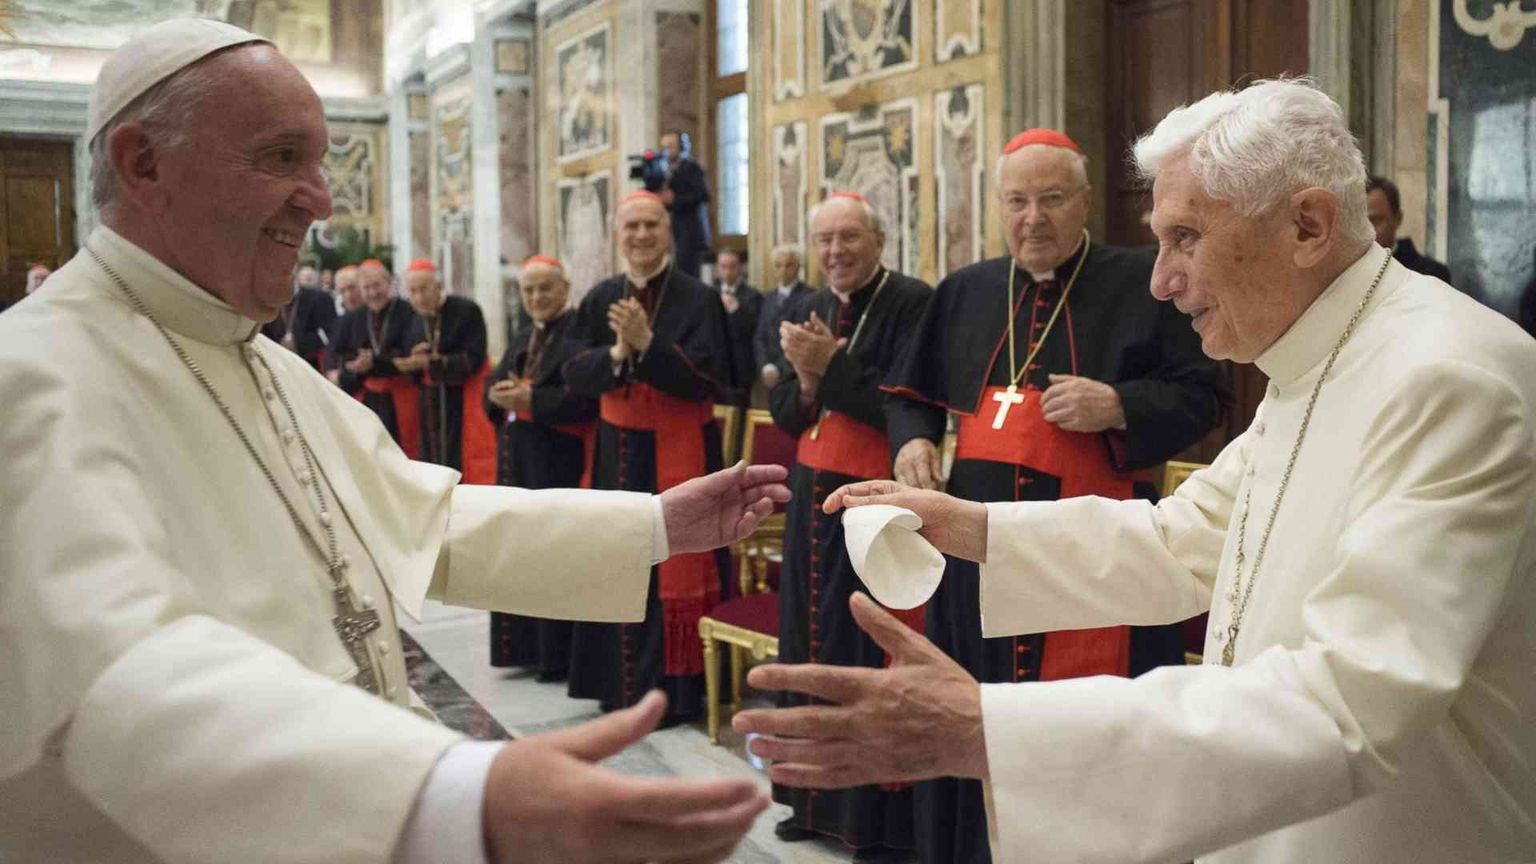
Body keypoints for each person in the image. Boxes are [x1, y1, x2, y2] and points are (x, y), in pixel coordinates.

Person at [0, 20, 786, 864]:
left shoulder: (264, 363)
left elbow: (419, 518)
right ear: (142, 163)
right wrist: (453, 795)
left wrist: (655, 526)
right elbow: (114, 668)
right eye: (279, 158)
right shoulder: (34, 375)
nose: (323, 200)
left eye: (322, 163)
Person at [737, 78, 1536, 864]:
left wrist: (988, 730)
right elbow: (1181, 539)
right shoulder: (1312, 359)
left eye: (1185, 238)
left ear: (1308, 226)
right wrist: (967, 527)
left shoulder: (1446, 378)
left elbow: (1349, 703)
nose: (1160, 281)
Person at [882, 127, 1226, 864]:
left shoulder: (1143, 282)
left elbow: (1206, 395)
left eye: (1051, 198)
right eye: (1016, 201)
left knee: (1094, 738)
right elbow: (907, 394)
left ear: (1084, 200)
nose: (1032, 217)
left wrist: (1121, 403)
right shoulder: (966, 291)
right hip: (976, 565)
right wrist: (912, 439)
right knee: (984, 726)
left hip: (1100, 567)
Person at [767, 191, 932, 855]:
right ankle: (808, 801)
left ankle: (864, 819)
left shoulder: (912, 302)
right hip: (811, 496)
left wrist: (826, 369)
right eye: (824, 241)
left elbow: (898, 404)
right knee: (807, 644)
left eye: (848, 238)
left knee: (857, 646)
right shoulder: (812, 303)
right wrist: (806, 385)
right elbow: (785, 412)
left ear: (878, 240)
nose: (835, 253)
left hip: (872, 499)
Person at [563, 190, 737, 724]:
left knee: (677, 556)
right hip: (618, 452)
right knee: (619, 557)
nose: (641, 236)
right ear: (619, 234)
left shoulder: (698, 299)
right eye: (631, 226)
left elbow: (716, 379)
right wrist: (618, 353)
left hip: (682, 450)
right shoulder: (598, 299)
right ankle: (617, 687)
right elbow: (571, 376)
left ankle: (679, 692)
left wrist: (650, 344)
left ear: (669, 231)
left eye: (651, 226)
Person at [484, 255, 597, 681]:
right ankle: (526, 649)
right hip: (518, 464)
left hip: (556, 464)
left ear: (565, 290)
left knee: (552, 556)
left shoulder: (579, 335)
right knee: (522, 553)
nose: (536, 297)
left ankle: (555, 656)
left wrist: (531, 402)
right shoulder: (522, 336)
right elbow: (490, 384)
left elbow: (584, 401)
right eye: (528, 290)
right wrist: (497, 397)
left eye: (544, 288)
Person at [397, 259, 494, 481]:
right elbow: (413, 372)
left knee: (461, 464)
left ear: (439, 287)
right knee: (431, 466)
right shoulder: (413, 320)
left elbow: (475, 358)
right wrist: (415, 360)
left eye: (424, 289)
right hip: (428, 406)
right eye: (413, 292)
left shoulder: (466, 310)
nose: (419, 298)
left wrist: (431, 363)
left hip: (461, 403)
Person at [331, 259, 418, 452]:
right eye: (366, 288)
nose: (373, 293)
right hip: (368, 399)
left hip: (401, 398)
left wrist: (375, 362)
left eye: (377, 285)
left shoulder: (408, 311)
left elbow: (410, 354)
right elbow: (339, 354)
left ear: (389, 283)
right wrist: (351, 366)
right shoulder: (355, 317)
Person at [1366, 175, 1452, 284]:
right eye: (1359, 222)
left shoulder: (1430, 275)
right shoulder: (1347, 273)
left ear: (1397, 219)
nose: (1366, 230)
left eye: (1375, 220)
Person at [755, 243, 813, 390]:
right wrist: (765, 366)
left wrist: (778, 369)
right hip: (768, 374)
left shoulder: (810, 297)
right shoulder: (768, 298)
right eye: (778, 265)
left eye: (789, 265)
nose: (783, 270)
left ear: (798, 266)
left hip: (795, 375)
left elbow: (803, 339)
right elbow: (760, 336)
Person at [260, 265, 337, 370]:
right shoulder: (265, 300)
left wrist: (297, 342)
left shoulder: (320, 298)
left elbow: (331, 335)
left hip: (310, 365)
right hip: (275, 364)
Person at [659, 131, 711, 279]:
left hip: (691, 235)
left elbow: (703, 195)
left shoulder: (692, 167)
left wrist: (675, 199)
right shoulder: (667, 171)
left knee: (688, 278)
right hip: (675, 234)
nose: (667, 151)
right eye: (664, 147)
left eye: (671, 146)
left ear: (682, 147)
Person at [714, 247, 761, 405]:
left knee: (739, 416)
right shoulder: (709, 294)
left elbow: (756, 331)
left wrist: (736, 310)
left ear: (740, 267)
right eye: (723, 267)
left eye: (732, 266)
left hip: (741, 369)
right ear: (717, 269)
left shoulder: (753, 296)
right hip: (715, 368)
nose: (727, 272)